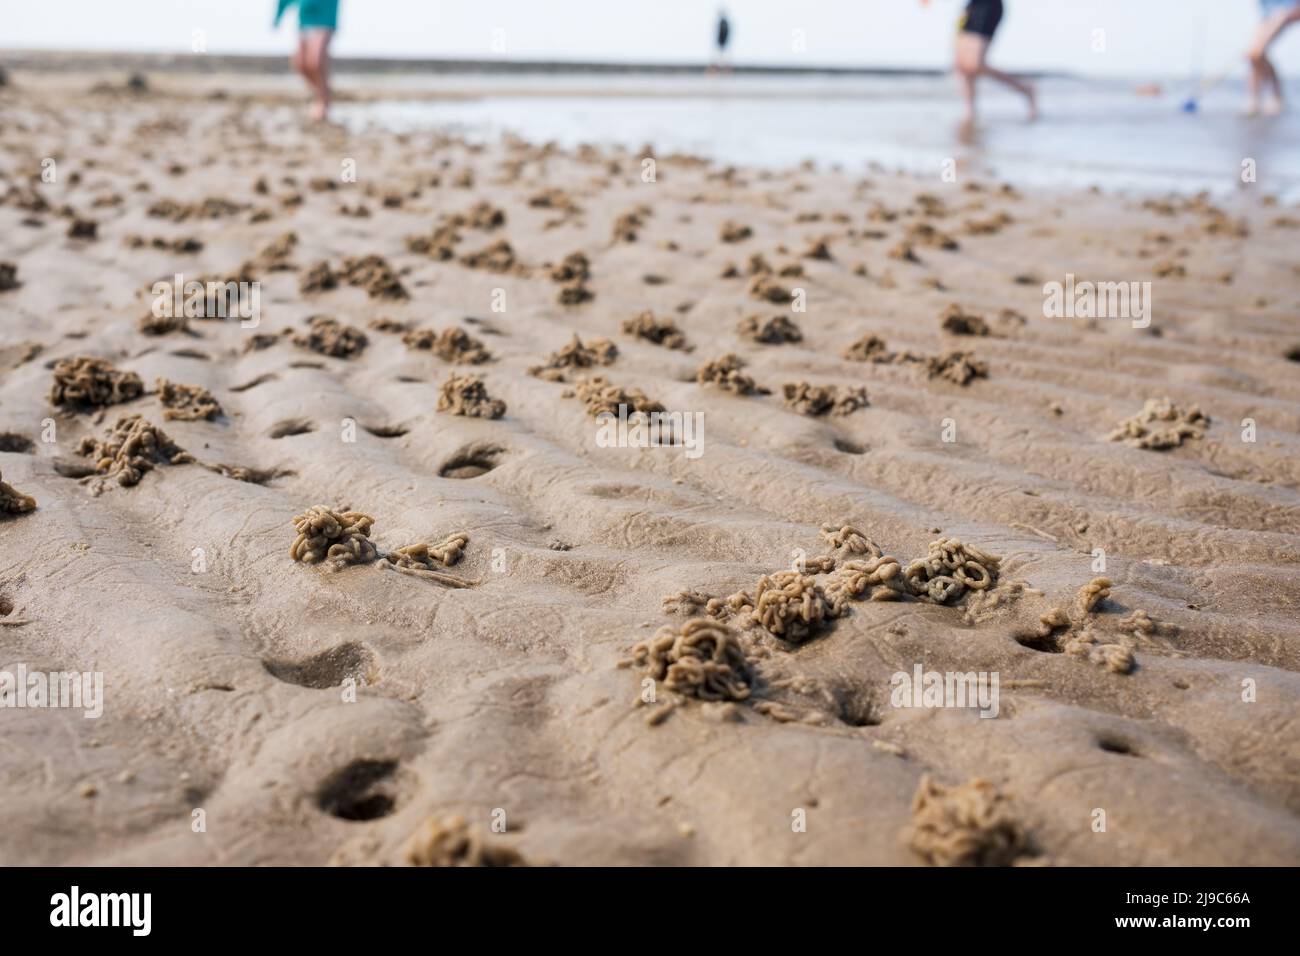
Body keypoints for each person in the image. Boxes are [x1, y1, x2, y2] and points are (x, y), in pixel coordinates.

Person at [952, 0, 1036, 126]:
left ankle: (1025, 89)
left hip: (989, 7)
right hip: (972, 7)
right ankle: (970, 113)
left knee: (975, 64)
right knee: (961, 65)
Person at [275, 0, 339, 121]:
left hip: (325, 19)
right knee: (300, 63)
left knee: (316, 61)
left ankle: (323, 102)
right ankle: (322, 92)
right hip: (305, 20)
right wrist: (278, 15)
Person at [1247, 0, 1300, 116]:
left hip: (1285, 9)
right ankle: (1254, 100)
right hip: (1267, 13)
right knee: (1253, 55)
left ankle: (1277, 97)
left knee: (1257, 51)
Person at [711, 8, 732, 74]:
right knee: (721, 57)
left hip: (722, 42)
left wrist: (720, 41)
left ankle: (724, 71)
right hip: (722, 43)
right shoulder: (724, 22)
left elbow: (722, 33)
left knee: (721, 57)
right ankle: (722, 70)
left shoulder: (723, 23)